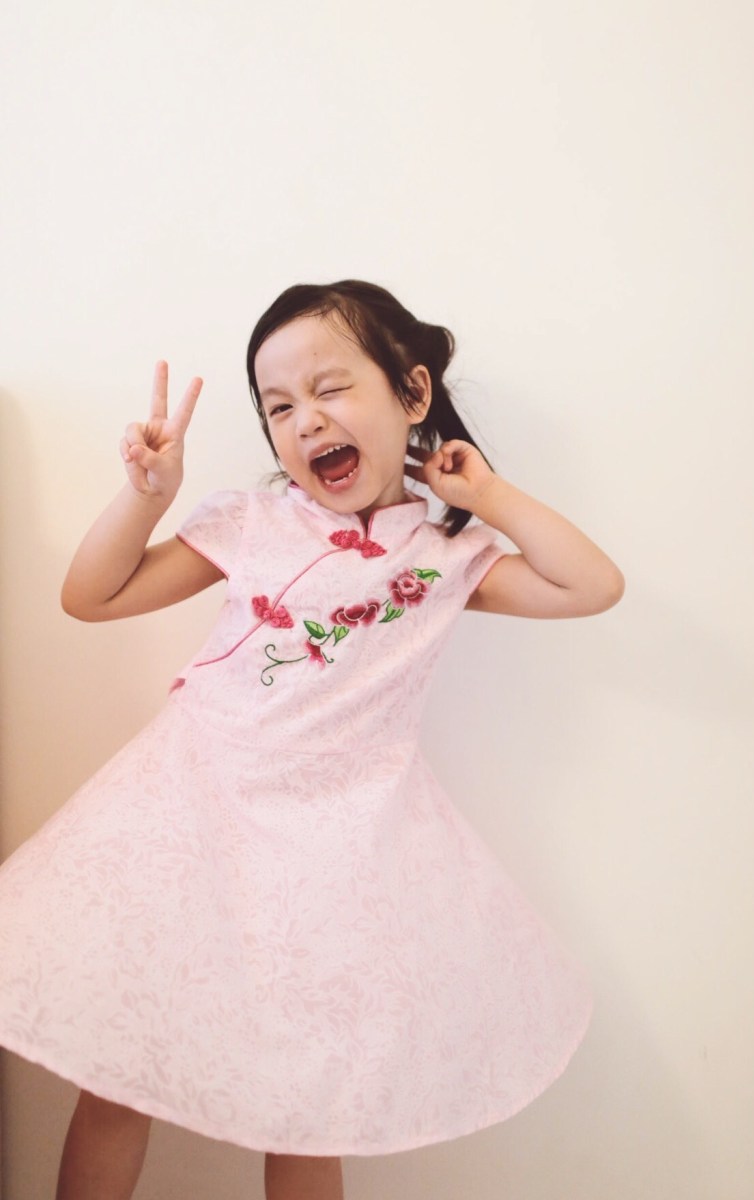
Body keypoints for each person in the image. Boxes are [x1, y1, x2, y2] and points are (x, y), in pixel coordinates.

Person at [0, 280, 624, 1200]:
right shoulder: (250, 523)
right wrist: (146, 497)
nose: (306, 421)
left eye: (330, 389)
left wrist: (486, 492)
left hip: (335, 856)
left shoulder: (445, 559)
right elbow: (90, 596)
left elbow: (592, 585)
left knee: (309, 1110)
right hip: (189, 818)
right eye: (280, 408)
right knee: (121, 1079)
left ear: (412, 393)